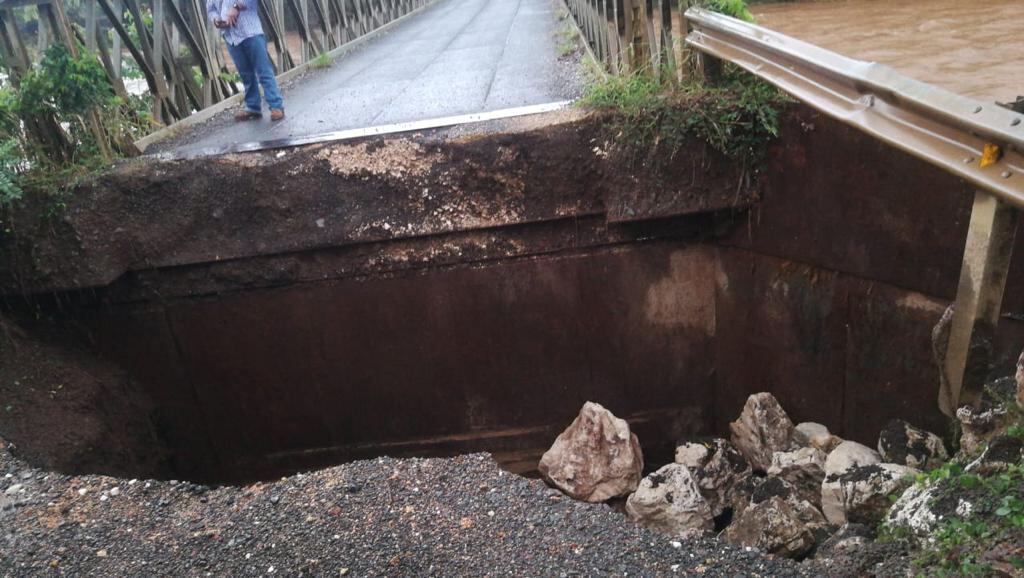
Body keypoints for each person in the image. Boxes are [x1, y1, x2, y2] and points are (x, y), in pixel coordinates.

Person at [206, 0, 285, 121]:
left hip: (251, 32)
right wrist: (216, 19)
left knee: (264, 71)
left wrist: (236, 6)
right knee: (246, 75)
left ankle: (276, 106)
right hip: (230, 36)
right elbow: (210, 9)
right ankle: (253, 107)